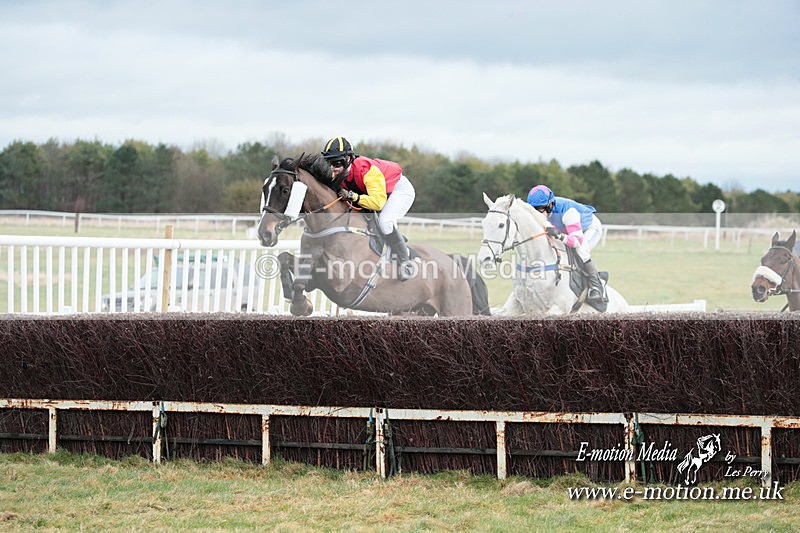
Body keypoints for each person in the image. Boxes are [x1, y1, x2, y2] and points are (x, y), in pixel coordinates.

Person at [321, 136, 416, 281]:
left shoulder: (367, 170)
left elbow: (378, 203)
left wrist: (353, 196)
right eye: (329, 163)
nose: (332, 167)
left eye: (336, 162)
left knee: (385, 222)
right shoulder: (339, 173)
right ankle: (393, 243)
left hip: (398, 190)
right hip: (378, 194)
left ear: (347, 158)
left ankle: (406, 262)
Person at [526, 184, 608, 304]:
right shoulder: (544, 211)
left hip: (590, 228)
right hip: (569, 230)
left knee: (581, 250)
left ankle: (598, 285)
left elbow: (576, 241)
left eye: (540, 210)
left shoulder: (568, 212)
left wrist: (559, 235)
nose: (537, 214)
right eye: (534, 210)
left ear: (550, 205)